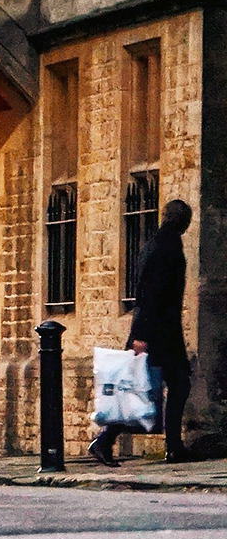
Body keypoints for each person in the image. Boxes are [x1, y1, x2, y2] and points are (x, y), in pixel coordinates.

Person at [91, 199, 195, 466]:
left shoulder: (156, 243)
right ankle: (105, 441)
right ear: (183, 221)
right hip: (156, 331)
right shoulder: (166, 247)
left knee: (153, 386)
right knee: (142, 387)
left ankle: (172, 446)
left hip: (158, 330)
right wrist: (140, 336)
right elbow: (149, 293)